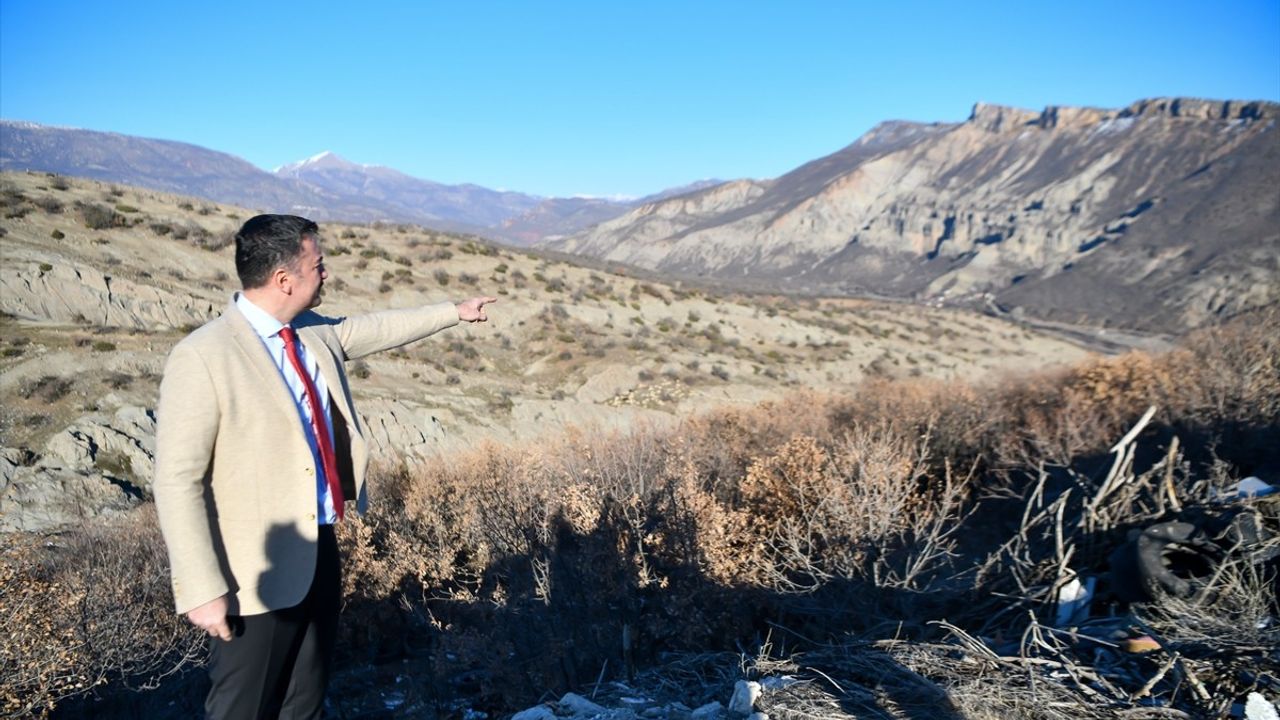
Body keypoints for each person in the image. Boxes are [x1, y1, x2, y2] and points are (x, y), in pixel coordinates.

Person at [153, 214, 495, 719]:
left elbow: (376, 328)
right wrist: (203, 588)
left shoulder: (310, 332)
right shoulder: (204, 356)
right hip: (253, 574)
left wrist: (454, 311)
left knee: (305, 702)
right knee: (242, 710)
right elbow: (177, 480)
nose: (326, 273)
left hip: (319, 548)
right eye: (319, 264)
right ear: (284, 279)